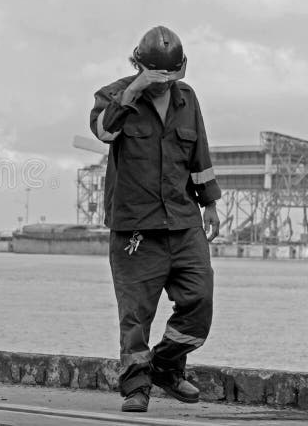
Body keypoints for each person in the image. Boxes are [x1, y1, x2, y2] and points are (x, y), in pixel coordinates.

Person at [89, 25, 221, 413]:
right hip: (136, 229)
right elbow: (102, 131)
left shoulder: (187, 98)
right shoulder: (113, 94)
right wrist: (133, 92)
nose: (165, 84)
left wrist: (210, 202)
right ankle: (136, 388)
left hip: (184, 221)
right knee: (135, 317)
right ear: (138, 66)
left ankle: (164, 366)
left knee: (199, 299)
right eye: (157, 77)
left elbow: (199, 151)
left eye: (171, 77)